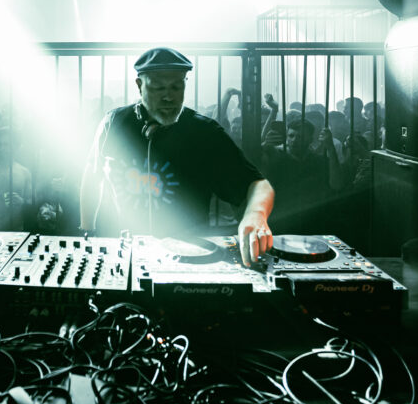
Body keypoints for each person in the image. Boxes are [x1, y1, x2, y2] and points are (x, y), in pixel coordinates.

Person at [79, 47, 274, 266]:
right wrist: (88, 232)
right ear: (139, 85)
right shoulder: (114, 123)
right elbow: (92, 174)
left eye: (176, 87)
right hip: (124, 255)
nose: (168, 96)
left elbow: (259, 185)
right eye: (158, 88)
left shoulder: (205, 133)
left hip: (190, 257)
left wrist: (256, 214)